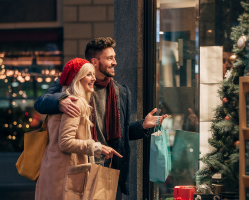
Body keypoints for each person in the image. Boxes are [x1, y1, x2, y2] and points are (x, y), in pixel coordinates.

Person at [34, 37, 167, 199]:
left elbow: (120, 133)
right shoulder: (71, 86)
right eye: (110, 58)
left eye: (114, 57)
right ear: (95, 62)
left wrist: (142, 126)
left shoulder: (120, 92)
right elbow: (40, 103)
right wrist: (61, 101)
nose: (115, 62)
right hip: (78, 165)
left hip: (105, 165)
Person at [35, 58, 121, 200]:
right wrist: (97, 147)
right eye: (88, 74)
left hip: (54, 171)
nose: (94, 78)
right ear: (77, 78)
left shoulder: (63, 100)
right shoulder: (75, 102)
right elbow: (66, 143)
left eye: (93, 74)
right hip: (65, 176)